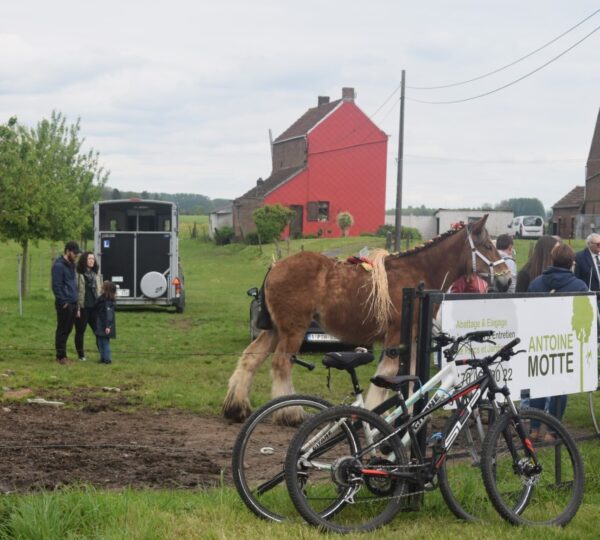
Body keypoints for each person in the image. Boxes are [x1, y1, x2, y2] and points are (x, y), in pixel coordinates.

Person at [527, 243, 587, 439]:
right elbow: (585, 317)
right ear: (572, 262)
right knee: (560, 385)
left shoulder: (536, 283)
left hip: (538, 341)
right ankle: (552, 432)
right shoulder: (579, 286)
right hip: (565, 343)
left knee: (538, 382)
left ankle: (534, 428)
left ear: (552, 260)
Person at [51, 241, 81, 365]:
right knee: (62, 329)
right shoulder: (58, 266)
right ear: (67, 251)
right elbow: (56, 286)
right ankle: (60, 356)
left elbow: (73, 285)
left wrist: (76, 303)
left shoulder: (72, 265)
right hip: (65, 304)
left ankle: (63, 355)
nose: (76, 256)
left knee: (68, 329)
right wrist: (63, 301)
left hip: (73, 302)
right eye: (74, 253)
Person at [74, 251, 103, 362]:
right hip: (83, 307)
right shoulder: (78, 274)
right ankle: (81, 355)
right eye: (89, 259)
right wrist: (77, 308)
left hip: (94, 307)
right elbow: (76, 291)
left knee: (98, 331)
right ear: (84, 260)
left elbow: (99, 290)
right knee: (80, 331)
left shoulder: (96, 273)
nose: (92, 261)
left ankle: (103, 353)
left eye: (93, 259)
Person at [95, 281, 117, 365]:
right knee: (100, 342)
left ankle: (107, 359)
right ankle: (102, 358)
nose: (101, 289)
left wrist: (108, 326)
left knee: (105, 342)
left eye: (103, 288)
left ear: (106, 290)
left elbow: (109, 315)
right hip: (100, 323)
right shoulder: (101, 299)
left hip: (105, 325)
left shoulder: (108, 302)